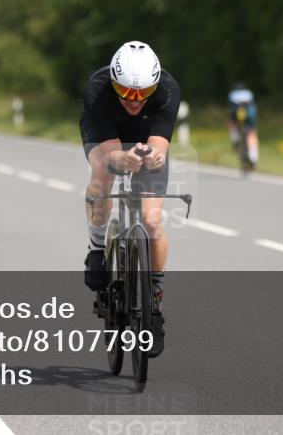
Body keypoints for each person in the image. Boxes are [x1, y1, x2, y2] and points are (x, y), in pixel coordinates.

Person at [80, 41, 181, 356]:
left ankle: (155, 306)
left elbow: (159, 145)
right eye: (125, 92)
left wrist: (154, 157)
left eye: (142, 93)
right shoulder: (97, 89)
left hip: (146, 134)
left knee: (152, 221)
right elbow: (111, 154)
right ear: (113, 83)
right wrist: (122, 159)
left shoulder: (167, 90)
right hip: (105, 135)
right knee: (103, 171)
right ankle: (97, 248)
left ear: (155, 85)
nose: (134, 100)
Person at [228, 82, 259, 167]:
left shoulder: (232, 94)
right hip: (249, 116)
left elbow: (231, 107)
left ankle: (234, 139)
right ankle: (254, 157)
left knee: (231, 123)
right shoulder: (249, 93)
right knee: (252, 134)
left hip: (236, 115)